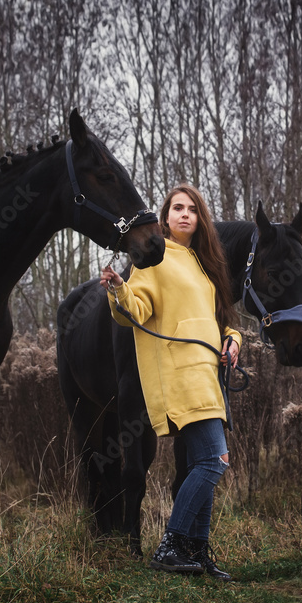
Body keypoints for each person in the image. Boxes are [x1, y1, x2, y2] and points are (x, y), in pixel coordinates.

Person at [100, 183, 239, 581]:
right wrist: (118, 289)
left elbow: (221, 321)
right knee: (215, 460)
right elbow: (135, 312)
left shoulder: (203, 263)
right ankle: (172, 544)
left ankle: (196, 553)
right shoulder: (151, 259)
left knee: (201, 462)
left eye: (191, 209)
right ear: (164, 217)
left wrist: (233, 340)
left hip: (209, 375)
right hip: (179, 376)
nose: (183, 214)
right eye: (176, 208)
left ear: (200, 219)